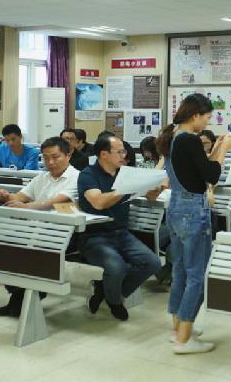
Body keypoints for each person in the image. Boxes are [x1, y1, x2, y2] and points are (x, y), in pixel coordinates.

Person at [156, 93, 231, 354]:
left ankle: (178, 328)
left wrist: (216, 149)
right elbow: (211, 175)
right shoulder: (190, 139)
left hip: (177, 207)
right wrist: (225, 149)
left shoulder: (173, 136)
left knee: (180, 270)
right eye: (207, 117)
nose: (207, 122)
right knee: (198, 275)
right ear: (195, 115)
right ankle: (184, 339)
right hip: (193, 210)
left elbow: (196, 169)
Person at [77, 134, 162, 321]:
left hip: (122, 233)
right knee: (117, 267)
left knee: (152, 263)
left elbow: (151, 197)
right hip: (95, 236)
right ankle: (115, 302)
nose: (125, 155)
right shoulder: (88, 175)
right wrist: (126, 188)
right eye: (120, 152)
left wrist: (153, 189)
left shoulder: (125, 173)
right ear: (104, 154)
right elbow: (99, 202)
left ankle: (108, 292)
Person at [0, 137, 79, 317]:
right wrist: (5, 196)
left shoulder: (77, 177)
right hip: (35, 229)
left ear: (68, 155)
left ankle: (22, 297)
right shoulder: (42, 177)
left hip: (63, 233)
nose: (50, 162)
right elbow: (21, 196)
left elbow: (54, 202)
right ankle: (21, 295)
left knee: (25, 252)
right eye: (46, 158)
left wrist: (25, 207)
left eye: (55, 157)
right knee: (2, 246)